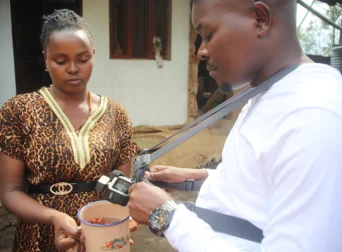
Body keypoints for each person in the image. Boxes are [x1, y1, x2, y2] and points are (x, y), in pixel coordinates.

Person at [128, 0, 342, 251]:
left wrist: (166, 216)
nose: (201, 52)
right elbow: (267, 178)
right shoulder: (270, 92)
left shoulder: (313, 115)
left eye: (208, 35)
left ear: (260, 19)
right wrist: (201, 179)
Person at [0, 9, 139, 252]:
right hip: (38, 235)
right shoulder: (19, 111)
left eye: (83, 59)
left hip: (100, 232)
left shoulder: (117, 114)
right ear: (45, 58)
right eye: (61, 61)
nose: (73, 68)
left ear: (93, 56)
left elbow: (122, 185)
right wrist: (54, 217)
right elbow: (10, 191)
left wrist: (118, 220)